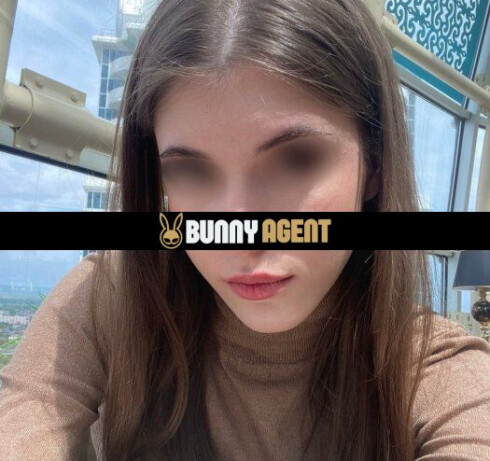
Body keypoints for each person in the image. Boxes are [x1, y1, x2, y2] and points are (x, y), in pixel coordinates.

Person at [1, 0, 490, 460]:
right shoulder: (113, 295)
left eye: (296, 160)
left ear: (375, 166)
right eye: (192, 171)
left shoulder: (441, 372)